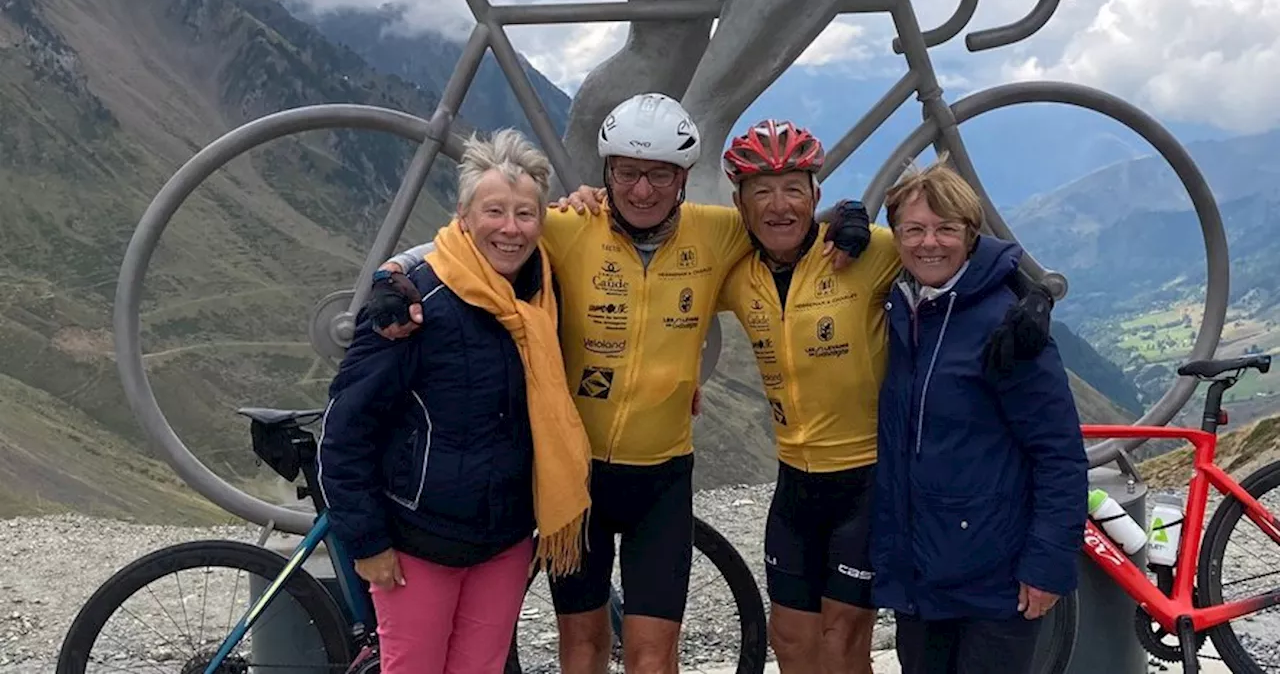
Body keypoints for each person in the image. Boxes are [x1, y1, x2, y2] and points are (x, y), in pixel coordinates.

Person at [369, 93, 871, 674]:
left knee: (654, 655)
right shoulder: (568, 226)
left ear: (683, 179)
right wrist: (398, 273)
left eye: (659, 175)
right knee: (581, 648)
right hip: (575, 480)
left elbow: (783, 219)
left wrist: (847, 215)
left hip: (661, 481)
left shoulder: (719, 233)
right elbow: (472, 240)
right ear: (606, 173)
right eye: (628, 173)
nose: (641, 190)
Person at [561, 119, 1058, 674]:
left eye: (794, 189)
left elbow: (952, 241)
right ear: (740, 203)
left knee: (842, 643)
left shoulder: (864, 253)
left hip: (865, 483)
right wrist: (595, 203)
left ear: (815, 195)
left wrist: (1029, 295)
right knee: (792, 642)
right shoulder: (733, 266)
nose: (779, 206)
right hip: (795, 482)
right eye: (762, 192)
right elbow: (656, 301)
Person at [317, 129, 593, 674]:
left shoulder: (542, 297)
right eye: (494, 211)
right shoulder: (414, 302)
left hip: (505, 539)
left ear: (544, 221)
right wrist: (367, 542)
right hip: (418, 540)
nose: (510, 229)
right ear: (463, 215)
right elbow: (345, 432)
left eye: (525, 214)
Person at [869, 155, 1089, 674]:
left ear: (971, 234)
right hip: (921, 575)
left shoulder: (1007, 325)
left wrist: (1048, 564)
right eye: (914, 229)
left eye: (945, 229)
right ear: (894, 238)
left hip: (995, 580)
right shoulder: (902, 309)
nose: (929, 243)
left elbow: (1059, 453)